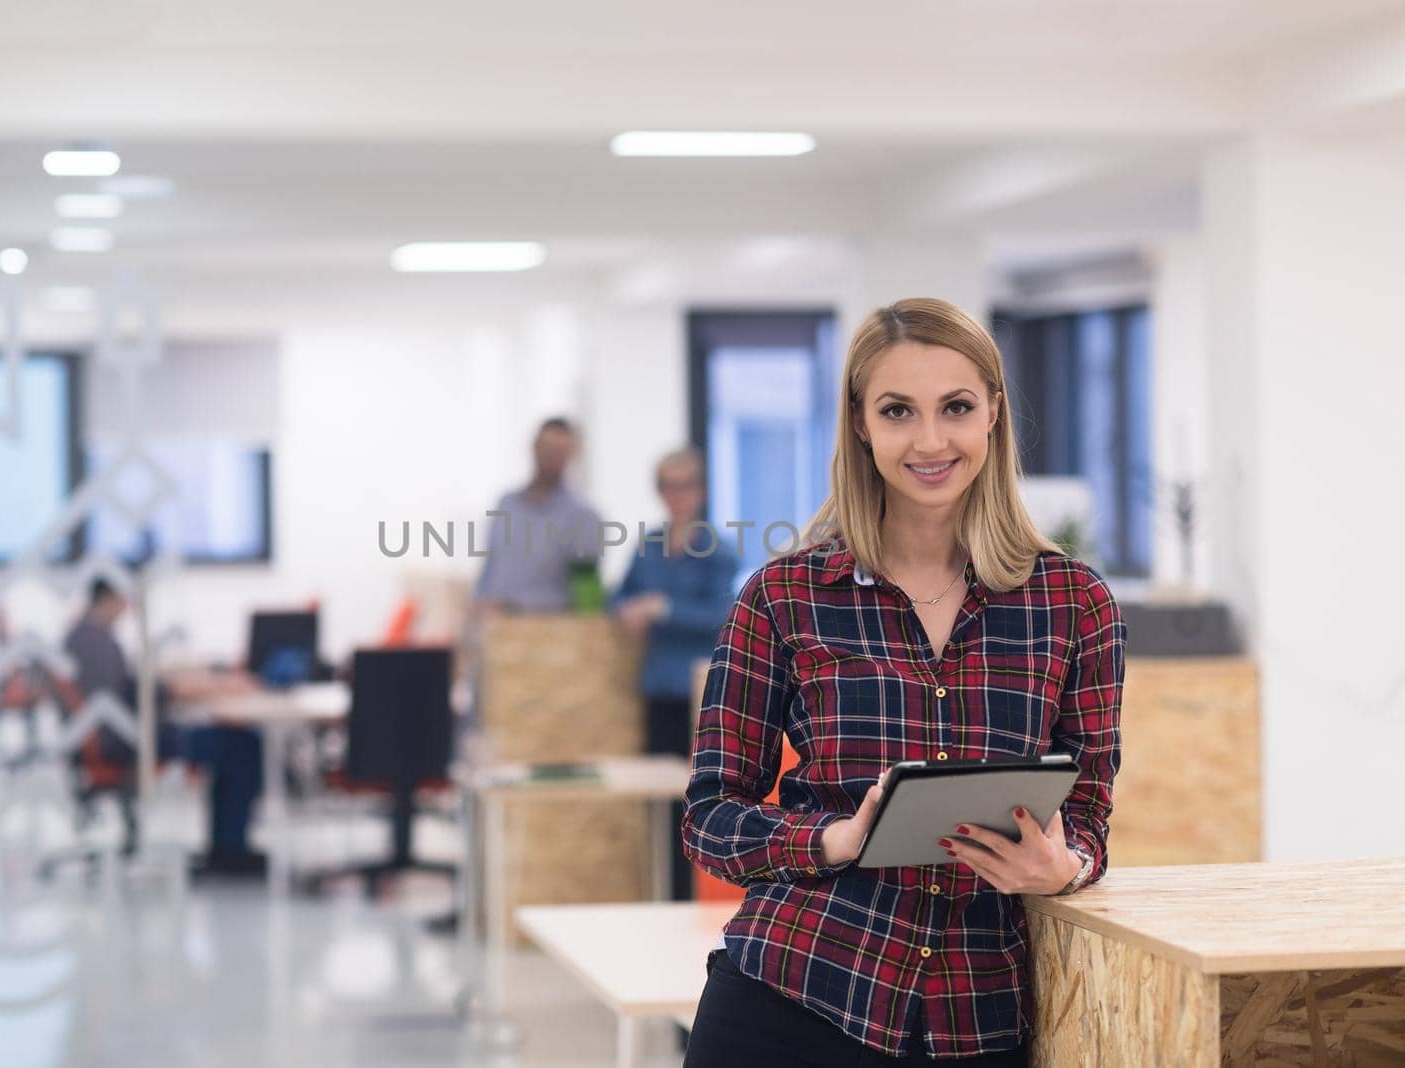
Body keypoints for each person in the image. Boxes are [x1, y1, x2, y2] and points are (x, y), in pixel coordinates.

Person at [682, 298, 1124, 1065]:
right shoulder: (784, 596)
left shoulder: (1074, 602)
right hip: (792, 997)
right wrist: (839, 838)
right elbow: (709, 820)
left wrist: (1064, 867)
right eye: (897, 411)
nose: (929, 440)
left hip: (975, 1018)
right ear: (860, 422)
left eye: (955, 407)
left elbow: (1087, 809)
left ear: (992, 412)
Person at [64, 578, 267, 875]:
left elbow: (126, 689)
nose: (126, 609)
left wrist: (181, 687)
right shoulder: (93, 641)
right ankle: (230, 851)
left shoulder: (86, 636)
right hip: (129, 740)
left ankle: (227, 847)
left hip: (125, 733)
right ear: (108, 598)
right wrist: (182, 689)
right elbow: (128, 693)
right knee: (242, 744)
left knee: (233, 741)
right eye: (123, 600)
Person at [613, 447, 738, 900]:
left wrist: (664, 609)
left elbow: (720, 614)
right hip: (657, 687)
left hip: (700, 694)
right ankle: (665, 894)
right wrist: (627, 609)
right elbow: (619, 594)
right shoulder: (648, 546)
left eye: (685, 484)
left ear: (700, 490)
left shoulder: (716, 550)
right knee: (662, 800)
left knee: (696, 798)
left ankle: (696, 895)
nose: (677, 495)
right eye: (668, 485)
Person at [471, 417, 603, 615]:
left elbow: (587, 601)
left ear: (572, 455)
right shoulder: (506, 504)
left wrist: (516, 607)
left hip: (546, 631)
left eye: (560, 452)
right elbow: (489, 568)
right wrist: (477, 605)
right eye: (546, 448)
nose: (551, 457)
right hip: (494, 626)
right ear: (534, 447)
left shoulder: (583, 516)